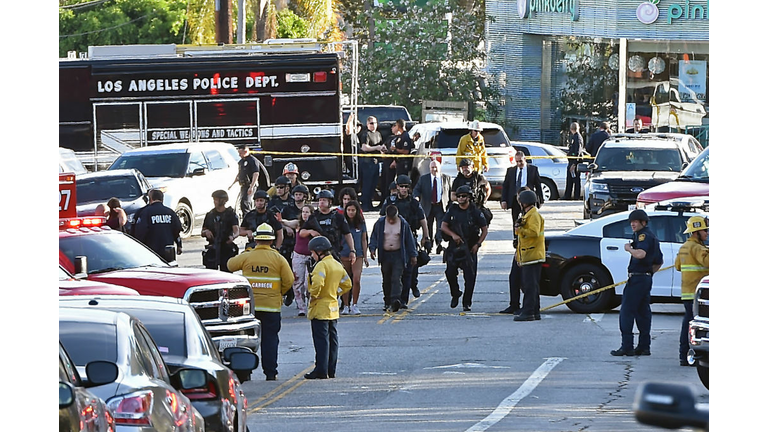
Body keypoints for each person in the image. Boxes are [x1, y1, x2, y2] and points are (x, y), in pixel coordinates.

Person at [227, 223, 294, 381]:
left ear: (256, 240)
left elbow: (230, 265)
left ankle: (246, 372)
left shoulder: (248, 256)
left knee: (247, 339)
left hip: (249, 308)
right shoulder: (278, 258)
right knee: (270, 339)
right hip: (271, 307)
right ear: (271, 241)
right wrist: (280, 293)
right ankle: (270, 373)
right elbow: (289, 279)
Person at [611, 209, 663, 357]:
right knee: (642, 312)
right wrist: (649, 273)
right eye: (631, 222)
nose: (632, 224)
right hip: (645, 278)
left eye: (635, 221)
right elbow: (659, 261)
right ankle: (644, 346)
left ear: (643, 222)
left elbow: (641, 254)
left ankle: (627, 346)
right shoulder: (652, 236)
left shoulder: (643, 236)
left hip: (638, 278)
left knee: (627, 312)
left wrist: (629, 249)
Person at [304, 236, 353, 380]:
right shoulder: (337, 265)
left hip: (320, 308)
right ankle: (331, 369)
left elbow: (317, 284)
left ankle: (320, 370)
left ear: (319, 252)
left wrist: (314, 295)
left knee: (321, 341)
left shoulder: (321, 266)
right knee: (333, 340)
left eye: (313, 252)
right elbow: (347, 284)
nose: (312, 255)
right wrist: (334, 293)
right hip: (333, 308)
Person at [380, 174, 429, 305]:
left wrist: (426, 237)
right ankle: (389, 300)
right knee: (390, 274)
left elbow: (422, 219)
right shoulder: (390, 201)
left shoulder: (413, 202)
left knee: (408, 271)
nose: (403, 189)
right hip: (392, 239)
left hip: (409, 240)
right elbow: (381, 220)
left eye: (406, 187)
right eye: (401, 186)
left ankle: (403, 300)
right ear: (397, 187)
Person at [440, 185, 488, 312]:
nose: (461, 198)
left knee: (470, 277)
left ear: (469, 197)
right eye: (459, 196)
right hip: (455, 247)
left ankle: (467, 303)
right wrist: (453, 235)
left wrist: (477, 244)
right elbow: (443, 226)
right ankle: (455, 293)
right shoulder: (453, 210)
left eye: (464, 196)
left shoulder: (475, 212)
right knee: (450, 273)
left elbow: (484, 230)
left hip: (470, 246)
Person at [369, 205, 418, 312]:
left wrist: (413, 255)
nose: (391, 221)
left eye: (393, 219)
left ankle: (395, 300)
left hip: (398, 255)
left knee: (396, 277)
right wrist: (372, 249)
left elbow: (409, 240)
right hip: (385, 254)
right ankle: (387, 301)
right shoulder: (380, 223)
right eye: (389, 218)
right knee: (386, 279)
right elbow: (374, 237)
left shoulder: (403, 223)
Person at [674, 216, 709, 366]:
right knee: (694, 327)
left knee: (687, 324)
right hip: (697, 295)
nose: (707, 234)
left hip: (686, 294)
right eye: (705, 230)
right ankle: (691, 357)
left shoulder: (684, 247)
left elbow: (677, 266)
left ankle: (684, 356)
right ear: (696, 232)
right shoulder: (698, 248)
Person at [511, 190, 546, 321]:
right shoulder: (528, 215)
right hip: (529, 255)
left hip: (533, 256)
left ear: (524, 202)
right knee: (532, 286)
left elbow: (534, 232)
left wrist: (520, 230)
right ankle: (535, 311)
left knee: (529, 286)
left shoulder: (534, 215)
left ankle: (528, 312)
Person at [413, 160, 452, 254]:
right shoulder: (423, 179)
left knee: (440, 226)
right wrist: (416, 197)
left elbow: (451, 192)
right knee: (428, 225)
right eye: (432, 167)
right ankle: (429, 244)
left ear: (440, 167)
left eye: (436, 167)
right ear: (429, 168)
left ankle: (439, 243)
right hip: (428, 206)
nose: (434, 169)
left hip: (441, 206)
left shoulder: (446, 178)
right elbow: (416, 190)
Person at [133, 189, 183, 259]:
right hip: (168, 251)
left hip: (151, 251)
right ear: (162, 199)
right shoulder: (170, 212)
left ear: (150, 199)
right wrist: (179, 245)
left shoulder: (145, 212)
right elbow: (176, 230)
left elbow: (140, 232)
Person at [339, 200, 369, 315]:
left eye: (353, 210)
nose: (351, 212)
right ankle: (345, 305)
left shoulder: (361, 223)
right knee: (345, 281)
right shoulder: (342, 222)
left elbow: (364, 239)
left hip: (358, 255)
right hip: (344, 254)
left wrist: (365, 256)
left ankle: (354, 305)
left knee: (356, 279)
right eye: (348, 210)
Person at [293, 204, 323, 316]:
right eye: (303, 212)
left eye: (307, 212)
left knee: (308, 283)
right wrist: (282, 221)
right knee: (297, 282)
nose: (304, 214)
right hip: (298, 256)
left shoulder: (316, 225)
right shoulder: (298, 224)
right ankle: (301, 307)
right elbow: (288, 223)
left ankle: (311, 304)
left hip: (311, 257)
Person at [201, 190, 239, 272]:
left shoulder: (230, 214)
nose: (214, 202)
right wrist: (206, 232)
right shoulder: (210, 215)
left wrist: (232, 237)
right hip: (213, 247)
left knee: (226, 273)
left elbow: (236, 231)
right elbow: (203, 231)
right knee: (211, 274)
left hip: (226, 247)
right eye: (214, 200)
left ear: (223, 200)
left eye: (216, 200)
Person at [501, 151, 544, 222]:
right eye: (517, 161)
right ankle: (516, 233)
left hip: (528, 198)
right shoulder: (511, 171)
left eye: (520, 161)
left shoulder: (533, 170)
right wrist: (503, 200)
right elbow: (505, 186)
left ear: (525, 159)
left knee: (529, 220)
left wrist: (541, 200)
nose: (519, 163)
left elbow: (538, 185)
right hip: (515, 199)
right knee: (516, 221)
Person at [314, 190, 356, 261]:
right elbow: (302, 231)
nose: (321, 202)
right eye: (320, 200)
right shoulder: (314, 216)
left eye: (324, 200)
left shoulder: (338, 216)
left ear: (330, 202)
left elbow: (347, 234)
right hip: (317, 253)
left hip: (334, 252)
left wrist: (352, 250)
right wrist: (311, 232)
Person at [356, 116, 386, 211]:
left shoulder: (378, 134)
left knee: (374, 185)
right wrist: (376, 148)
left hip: (376, 162)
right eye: (371, 123)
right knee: (367, 185)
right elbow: (364, 147)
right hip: (366, 162)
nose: (374, 125)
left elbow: (380, 146)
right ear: (368, 124)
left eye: (375, 123)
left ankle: (370, 204)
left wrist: (382, 149)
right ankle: (365, 205)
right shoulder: (366, 134)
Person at [451, 158, 492, 224]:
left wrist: (484, 200)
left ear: (472, 167)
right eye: (463, 167)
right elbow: (452, 196)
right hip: (462, 208)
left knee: (486, 217)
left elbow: (488, 188)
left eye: (467, 167)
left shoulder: (479, 177)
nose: (464, 169)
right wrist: (463, 198)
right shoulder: (457, 180)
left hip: (476, 206)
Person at [231, 144, 260, 216]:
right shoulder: (241, 162)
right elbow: (240, 173)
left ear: (246, 151)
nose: (239, 155)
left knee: (246, 202)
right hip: (243, 185)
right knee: (242, 203)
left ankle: (249, 218)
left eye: (240, 153)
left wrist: (251, 186)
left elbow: (256, 174)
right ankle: (245, 217)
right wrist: (233, 183)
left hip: (250, 185)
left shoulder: (252, 161)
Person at [563, 122, 585, 200]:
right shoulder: (575, 137)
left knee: (576, 180)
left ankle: (576, 196)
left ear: (571, 129)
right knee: (570, 179)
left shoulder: (578, 138)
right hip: (572, 161)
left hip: (575, 162)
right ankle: (567, 195)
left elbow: (578, 151)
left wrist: (574, 164)